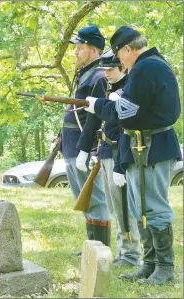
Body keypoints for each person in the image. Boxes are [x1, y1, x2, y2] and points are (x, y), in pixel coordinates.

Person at [84, 26, 181, 284]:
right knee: (141, 209)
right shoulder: (150, 66)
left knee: (155, 208)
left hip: (153, 145)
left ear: (129, 49)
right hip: (143, 145)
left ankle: (165, 268)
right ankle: (149, 265)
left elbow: (127, 112)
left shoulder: (145, 67)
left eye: (119, 54)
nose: (119, 61)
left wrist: (99, 105)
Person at [89, 49, 141, 267]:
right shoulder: (112, 89)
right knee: (114, 207)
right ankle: (123, 251)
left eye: (110, 69)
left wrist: (120, 164)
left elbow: (125, 129)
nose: (106, 73)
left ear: (122, 67)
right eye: (104, 69)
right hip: (107, 152)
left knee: (124, 208)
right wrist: (95, 152)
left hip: (120, 154)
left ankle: (131, 255)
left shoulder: (128, 90)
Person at [61, 26, 111, 250]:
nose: (75, 52)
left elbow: (95, 118)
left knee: (95, 198)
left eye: (80, 48)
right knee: (83, 199)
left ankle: (100, 250)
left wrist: (88, 150)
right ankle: (92, 248)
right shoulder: (85, 74)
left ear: (93, 50)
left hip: (84, 147)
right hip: (72, 146)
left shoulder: (99, 76)